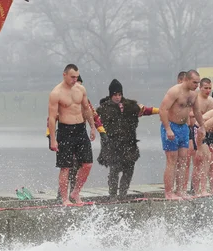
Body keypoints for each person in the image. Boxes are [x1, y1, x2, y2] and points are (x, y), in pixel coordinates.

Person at [96, 79, 159, 200]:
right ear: (111, 95)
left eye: (119, 94)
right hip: (112, 144)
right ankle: (113, 195)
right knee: (114, 170)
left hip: (129, 143)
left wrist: (161, 111)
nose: (117, 97)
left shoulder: (130, 106)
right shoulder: (104, 109)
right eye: (115, 95)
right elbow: (93, 118)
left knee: (129, 170)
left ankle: (123, 194)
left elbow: (146, 110)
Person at [48, 64, 97, 205]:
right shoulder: (56, 93)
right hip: (65, 131)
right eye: (72, 77)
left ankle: (75, 192)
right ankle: (65, 198)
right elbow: (52, 118)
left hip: (81, 129)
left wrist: (92, 127)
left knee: (87, 164)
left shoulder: (81, 89)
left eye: (76, 77)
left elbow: (86, 109)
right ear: (64, 75)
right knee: (66, 167)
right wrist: (53, 139)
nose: (75, 79)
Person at [159, 70, 207, 200]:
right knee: (172, 160)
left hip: (184, 128)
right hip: (171, 126)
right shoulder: (175, 91)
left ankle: (180, 191)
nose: (197, 85)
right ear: (186, 79)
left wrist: (202, 126)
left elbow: (196, 111)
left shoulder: (194, 94)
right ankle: (169, 192)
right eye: (194, 82)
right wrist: (168, 129)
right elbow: (163, 110)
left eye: (198, 83)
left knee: (183, 160)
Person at [190, 78, 213, 196]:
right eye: (206, 88)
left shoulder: (210, 100)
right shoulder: (194, 98)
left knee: (207, 158)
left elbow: (210, 116)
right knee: (198, 160)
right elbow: (188, 113)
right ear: (200, 87)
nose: (208, 90)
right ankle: (196, 190)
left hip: (205, 130)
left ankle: (204, 188)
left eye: (210, 88)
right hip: (193, 129)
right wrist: (198, 115)